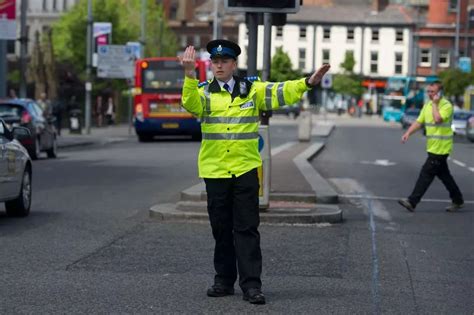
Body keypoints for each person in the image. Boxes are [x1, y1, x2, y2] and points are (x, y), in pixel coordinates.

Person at [179, 39, 330, 305]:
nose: (220, 65)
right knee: (221, 228)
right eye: (215, 62)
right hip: (215, 172)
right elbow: (190, 105)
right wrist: (190, 75)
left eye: (224, 61)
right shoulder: (203, 92)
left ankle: (251, 285)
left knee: (247, 228)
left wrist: (308, 82)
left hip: (246, 170)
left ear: (234, 64)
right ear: (211, 65)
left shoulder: (252, 90)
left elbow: (281, 91)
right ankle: (223, 281)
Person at [398, 81, 464, 213]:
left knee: (426, 173)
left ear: (439, 93)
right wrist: (408, 133)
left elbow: (437, 119)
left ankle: (412, 201)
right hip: (432, 147)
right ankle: (458, 199)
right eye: (428, 91)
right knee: (445, 175)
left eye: (432, 92)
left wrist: (435, 103)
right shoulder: (427, 105)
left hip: (441, 148)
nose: (429, 94)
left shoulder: (446, 105)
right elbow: (419, 122)